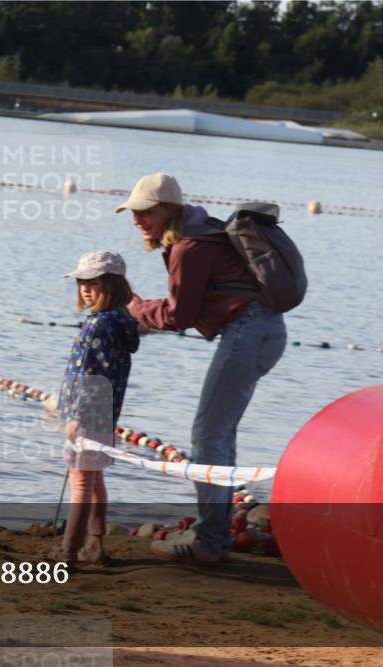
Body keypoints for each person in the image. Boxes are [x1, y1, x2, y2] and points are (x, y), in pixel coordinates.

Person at [116, 173, 286, 565]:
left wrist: (136, 308)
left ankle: (208, 541)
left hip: (247, 334)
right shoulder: (205, 231)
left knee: (207, 436)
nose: (137, 220)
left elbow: (180, 315)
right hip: (264, 330)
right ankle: (215, 535)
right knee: (220, 436)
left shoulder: (189, 247)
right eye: (133, 212)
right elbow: (188, 307)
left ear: (170, 210)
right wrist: (147, 315)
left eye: (145, 212)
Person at [49, 250, 139, 570]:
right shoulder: (120, 322)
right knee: (95, 479)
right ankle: (95, 543)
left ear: (112, 286)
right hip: (105, 414)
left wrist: (74, 414)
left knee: (82, 485)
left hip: (87, 415)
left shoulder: (97, 325)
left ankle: (68, 550)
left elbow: (89, 374)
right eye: (82, 283)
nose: (85, 289)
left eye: (94, 283)